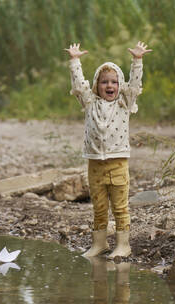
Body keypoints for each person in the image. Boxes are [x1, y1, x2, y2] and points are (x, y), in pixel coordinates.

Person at [64, 41, 152, 258]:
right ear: (97, 85)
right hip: (94, 163)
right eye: (104, 82)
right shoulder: (90, 102)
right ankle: (99, 243)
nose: (109, 85)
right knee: (99, 206)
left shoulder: (124, 102)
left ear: (120, 85)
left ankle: (123, 245)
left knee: (120, 207)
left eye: (114, 81)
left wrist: (137, 61)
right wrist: (75, 61)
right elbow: (79, 85)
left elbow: (135, 84)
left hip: (118, 163)